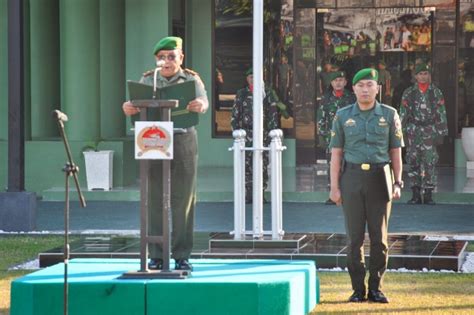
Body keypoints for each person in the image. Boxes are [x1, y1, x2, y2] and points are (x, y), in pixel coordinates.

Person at [122, 36, 208, 271]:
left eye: (172, 56)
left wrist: (200, 104)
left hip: (182, 139)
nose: (167, 61)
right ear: (156, 59)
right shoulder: (150, 79)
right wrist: (128, 106)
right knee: (154, 199)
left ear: (181, 57)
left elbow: (203, 100)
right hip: (154, 139)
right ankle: (156, 255)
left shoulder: (191, 78)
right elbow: (134, 102)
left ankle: (182, 254)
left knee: (184, 200)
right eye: (162, 57)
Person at [329, 68, 404, 303]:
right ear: (354, 89)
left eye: (370, 84)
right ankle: (357, 289)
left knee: (379, 238)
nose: (365, 89)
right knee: (354, 238)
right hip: (351, 178)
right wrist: (334, 187)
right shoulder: (342, 116)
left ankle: (376, 288)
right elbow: (336, 154)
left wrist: (398, 181)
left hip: (380, 178)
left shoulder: (390, 115)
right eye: (360, 85)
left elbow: (395, 152)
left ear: (377, 88)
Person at [400, 63, 448, 205]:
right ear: (415, 76)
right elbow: (403, 113)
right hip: (413, 131)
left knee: (430, 161)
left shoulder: (436, 92)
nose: (423, 76)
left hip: (430, 130)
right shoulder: (409, 92)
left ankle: (428, 193)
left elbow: (441, 112)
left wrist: (441, 133)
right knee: (413, 161)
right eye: (420, 74)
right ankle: (415, 193)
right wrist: (400, 132)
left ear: (429, 76)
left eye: (425, 74)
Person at [231, 68, 278, 204]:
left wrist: (271, 134)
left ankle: (260, 194)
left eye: (256, 77)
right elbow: (235, 115)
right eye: (251, 77)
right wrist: (237, 133)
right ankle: (248, 194)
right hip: (245, 134)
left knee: (261, 165)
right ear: (247, 79)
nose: (253, 79)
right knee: (246, 166)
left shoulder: (266, 93)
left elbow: (273, 114)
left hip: (261, 134)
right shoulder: (242, 94)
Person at [316, 71, 355, 204]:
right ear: (331, 83)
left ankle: (348, 196)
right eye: (335, 80)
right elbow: (321, 119)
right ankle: (333, 195)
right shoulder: (325, 99)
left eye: (341, 80)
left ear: (345, 82)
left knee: (350, 167)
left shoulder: (352, 98)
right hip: (331, 139)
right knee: (333, 166)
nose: (338, 83)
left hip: (349, 139)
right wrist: (323, 136)